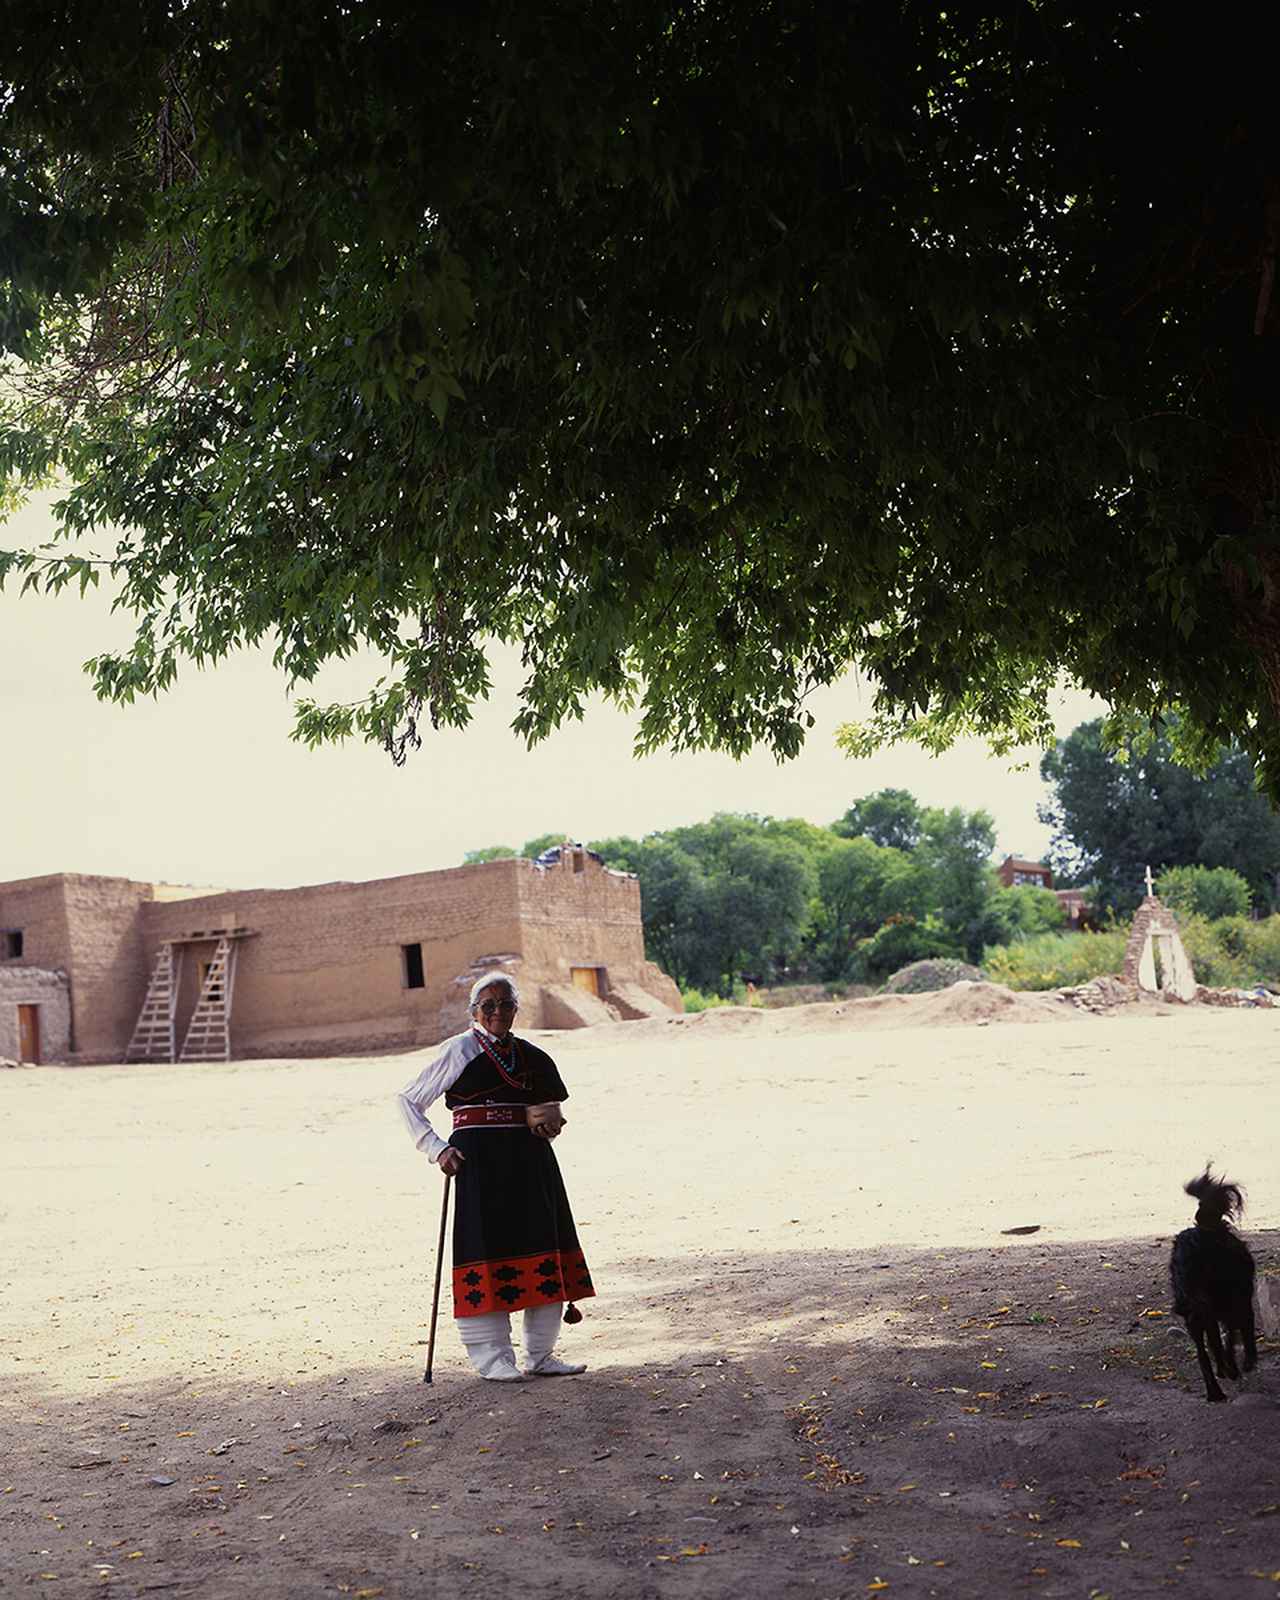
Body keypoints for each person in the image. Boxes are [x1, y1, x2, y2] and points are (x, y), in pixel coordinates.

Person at [396, 972, 593, 1381]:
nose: (497, 1012)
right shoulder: (460, 1050)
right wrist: (437, 1149)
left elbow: (549, 1108)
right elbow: (408, 1100)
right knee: (485, 1250)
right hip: (479, 1165)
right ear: (474, 1012)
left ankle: (540, 1355)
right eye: (488, 1005)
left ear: (516, 1010)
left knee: (543, 1245)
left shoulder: (533, 1056)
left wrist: (550, 1123)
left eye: (505, 1004)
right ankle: (493, 1360)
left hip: (530, 1163)